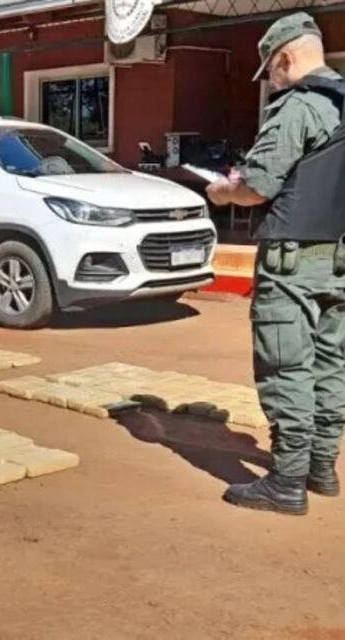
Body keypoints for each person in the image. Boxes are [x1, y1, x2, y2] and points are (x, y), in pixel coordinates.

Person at [207, 12, 345, 515]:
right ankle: (321, 469)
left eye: (270, 69)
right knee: (331, 366)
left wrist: (223, 191)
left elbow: (257, 187)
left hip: (291, 264)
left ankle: (286, 483)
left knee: (286, 367)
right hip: (336, 259)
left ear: (286, 58)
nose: (269, 79)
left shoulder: (297, 108)